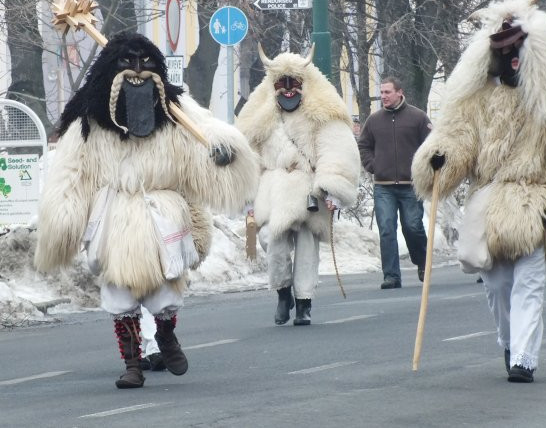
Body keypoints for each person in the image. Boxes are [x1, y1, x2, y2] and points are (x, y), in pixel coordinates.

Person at [35, 32, 258, 389]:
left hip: (161, 212)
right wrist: (61, 223)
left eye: (145, 64)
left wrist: (222, 152)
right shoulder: (89, 124)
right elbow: (71, 175)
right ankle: (132, 363)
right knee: (119, 294)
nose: (137, 72)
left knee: (165, 291)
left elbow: (207, 135)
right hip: (113, 216)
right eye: (127, 64)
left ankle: (166, 336)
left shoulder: (177, 114)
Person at [411, 0, 546, 383]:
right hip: (488, 204)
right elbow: (458, 137)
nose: (508, 58)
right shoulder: (477, 100)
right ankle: (510, 342)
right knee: (497, 286)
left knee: (529, 284)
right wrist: (438, 161)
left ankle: (525, 359)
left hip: (536, 204)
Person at [236, 44, 360, 326]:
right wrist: (246, 195)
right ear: (273, 85)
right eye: (282, 83)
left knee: (307, 248)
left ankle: (304, 302)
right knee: (273, 244)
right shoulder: (259, 116)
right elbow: (248, 154)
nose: (288, 89)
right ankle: (282, 293)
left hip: (308, 189)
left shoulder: (322, 112)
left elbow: (336, 150)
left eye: (294, 83)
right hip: (272, 189)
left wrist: (332, 187)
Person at [358, 77, 432, 289]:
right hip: (384, 185)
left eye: (387, 92)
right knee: (387, 229)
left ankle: (421, 262)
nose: (383, 97)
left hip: (411, 184)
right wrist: (374, 166)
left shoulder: (417, 117)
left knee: (413, 226)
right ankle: (391, 275)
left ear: (400, 93)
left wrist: (426, 167)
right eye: (381, 93)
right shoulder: (374, 120)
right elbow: (363, 146)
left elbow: (431, 145)